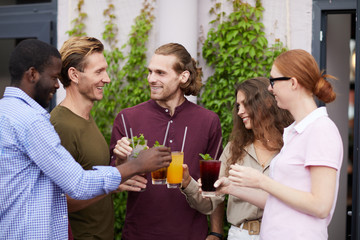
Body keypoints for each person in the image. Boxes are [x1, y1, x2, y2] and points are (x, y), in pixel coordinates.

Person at [0, 39, 171, 239]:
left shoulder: (7, 112)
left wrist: (120, 172)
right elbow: (76, 186)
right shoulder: (35, 122)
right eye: (99, 71)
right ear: (32, 74)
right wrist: (135, 166)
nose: (57, 84)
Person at [215, 49, 343, 239]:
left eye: (273, 81)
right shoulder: (294, 132)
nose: (269, 88)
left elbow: (321, 206)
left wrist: (261, 181)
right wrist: (230, 188)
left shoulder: (321, 130)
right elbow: (277, 201)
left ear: (293, 83)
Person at [110, 42, 223, 240]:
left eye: (160, 73)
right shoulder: (127, 118)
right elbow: (112, 180)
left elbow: (213, 185)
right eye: (150, 72)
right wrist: (120, 164)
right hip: (138, 235)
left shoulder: (208, 121)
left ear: (183, 76)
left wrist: (216, 232)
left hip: (191, 235)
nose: (151, 79)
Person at [50, 36, 144, 239]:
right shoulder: (61, 125)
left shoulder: (84, 118)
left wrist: (120, 166)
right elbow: (60, 200)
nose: (107, 78)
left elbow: (89, 174)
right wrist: (113, 183)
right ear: (74, 75)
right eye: (99, 71)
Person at [181, 77, 293, 239]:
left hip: (282, 233)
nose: (240, 111)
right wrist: (187, 183)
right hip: (241, 235)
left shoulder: (291, 145)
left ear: (267, 102)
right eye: (238, 106)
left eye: (245, 103)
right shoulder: (234, 149)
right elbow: (210, 203)